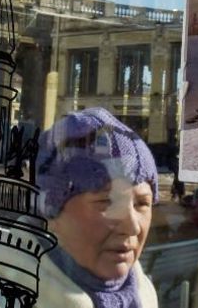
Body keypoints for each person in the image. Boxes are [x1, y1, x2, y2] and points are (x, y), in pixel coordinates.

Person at [35, 107, 160, 308]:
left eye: (142, 204)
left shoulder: (144, 293)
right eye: (107, 201)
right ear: (50, 213)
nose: (132, 227)